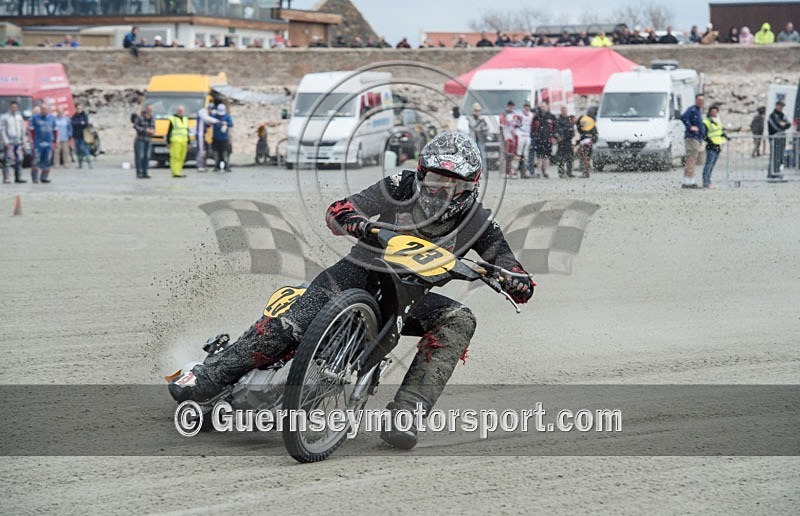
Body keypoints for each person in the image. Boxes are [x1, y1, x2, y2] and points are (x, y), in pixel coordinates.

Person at [168, 132, 535, 450]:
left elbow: (510, 266)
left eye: (456, 185)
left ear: (472, 187)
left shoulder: (479, 222)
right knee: (288, 327)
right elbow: (340, 209)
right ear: (422, 173)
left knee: (459, 319)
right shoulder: (398, 186)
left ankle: (407, 413)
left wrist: (517, 280)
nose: (443, 190)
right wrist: (355, 222)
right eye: (437, 179)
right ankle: (207, 375)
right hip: (354, 273)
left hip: (408, 300)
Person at [680, 94, 706, 189]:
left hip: (697, 138)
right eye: (699, 100)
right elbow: (683, 117)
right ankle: (690, 182)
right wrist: (690, 126)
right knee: (691, 160)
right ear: (695, 100)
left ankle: (687, 181)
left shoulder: (699, 111)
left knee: (692, 160)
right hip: (692, 138)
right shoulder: (692, 109)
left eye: (702, 100)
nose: (701, 102)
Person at [29, 104, 58, 183]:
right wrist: (31, 141)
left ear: (47, 110)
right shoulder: (34, 118)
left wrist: (55, 141)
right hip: (38, 143)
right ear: (40, 110)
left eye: (45, 109)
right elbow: (31, 131)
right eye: (42, 109)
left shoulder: (52, 118)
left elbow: (55, 131)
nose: (44, 111)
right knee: (36, 160)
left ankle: (44, 177)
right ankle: (35, 178)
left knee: (47, 161)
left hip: (48, 143)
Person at [1, 101, 27, 184]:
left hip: (18, 142)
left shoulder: (19, 117)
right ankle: (7, 178)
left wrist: (23, 141)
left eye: (15, 107)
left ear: (17, 108)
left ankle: (18, 177)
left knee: (19, 160)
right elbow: (2, 130)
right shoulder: (5, 117)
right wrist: (6, 141)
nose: (14, 108)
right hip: (9, 142)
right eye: (12, 107)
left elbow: (23, 129)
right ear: (10, 107)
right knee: (8, 160)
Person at [701, 105, 727, 189]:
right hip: (711, 146)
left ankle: (708, 181)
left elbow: (719, 131)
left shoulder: (717, 121)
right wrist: (709, 141)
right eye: (713, 111)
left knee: (712, 165)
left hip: (717, 145)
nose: (714, 113)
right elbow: (704, 134)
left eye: (715, 111)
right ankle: (706, 182)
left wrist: (725, 136)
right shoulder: (706, 121)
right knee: (708, 165)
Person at [767, 100, 791, 179]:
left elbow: (788, 124)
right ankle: (772, 173)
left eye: (782, 106)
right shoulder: (772, 116)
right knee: (774, 156)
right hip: (774, 139)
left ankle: (777, 172)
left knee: (780, 156)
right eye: (780, 105)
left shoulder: (782, 115)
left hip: (781, 139)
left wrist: (783, 124)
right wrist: (782, 125)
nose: (781, 107)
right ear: (776, 105)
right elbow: (776, 127)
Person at [532, 102, 556, 178]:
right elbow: (533, 127)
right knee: (539, 156)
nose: (543, 108)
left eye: (544, 106)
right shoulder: (537, 116)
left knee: (547, 156)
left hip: (548, 139)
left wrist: (554, 136)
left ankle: (546, 171)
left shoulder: (551, 116)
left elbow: (555, 127)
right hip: (539, 139)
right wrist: (535, 136)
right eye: (542, 106)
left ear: (547, 107)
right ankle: (538, 172)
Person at [166, 105, 189, 178]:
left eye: (182, 111)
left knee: (182, 157)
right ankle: (175, 172)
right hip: (175, 141)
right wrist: (168, 142)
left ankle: (179, 171)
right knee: (175, 157)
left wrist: (189, 142)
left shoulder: (185, 119)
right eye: (179, 111)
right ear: (177, 111)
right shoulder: (173, 119)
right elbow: (169, 131)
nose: (181, 112)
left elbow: (187, 131)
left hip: (184, 141)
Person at [195, 102, 219, 172]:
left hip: (203, 134)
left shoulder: (206, 113)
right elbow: (207, 119)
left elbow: (207, 123)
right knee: (201, 150)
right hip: (200, 134)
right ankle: (200, 166)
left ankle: (202, 165)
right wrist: (217, 121)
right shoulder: (202, 112)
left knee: (204, 150)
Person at [576, 107, 598, 178]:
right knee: (587, 156)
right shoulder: (592, 122)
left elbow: (579, 127)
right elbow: (595, 133)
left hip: (585, 140)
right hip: (589, 140)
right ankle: (586, 171)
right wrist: (594, 139)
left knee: (584, 156)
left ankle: (585, 171)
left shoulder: (583, 120)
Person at [134, 104, 155, 179]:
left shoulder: (152, 118)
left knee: (147, 156)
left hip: (148, 139)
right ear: (146, 109)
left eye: (151, 110)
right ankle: (139, 173)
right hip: (140, 139)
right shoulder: (140, 117)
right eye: (149, 109)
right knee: (140, 156)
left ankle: (145, 172)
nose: (150, 111)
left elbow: (153, 127)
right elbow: (136, 126)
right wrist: (145, 130)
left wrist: (152, 131)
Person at [499, 100, 518, 178]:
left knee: (513, 155)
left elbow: (518, 125)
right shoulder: (504, 114)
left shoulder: (515, 115)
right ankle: (506, 171)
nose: (511, 107)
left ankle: (512, 171)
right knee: (506, 155)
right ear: (507, 106)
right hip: (506, 137)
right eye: (510, 106)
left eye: (512, 106)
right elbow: (502, 126)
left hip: (513, 137)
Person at [515, 101, 534, 178]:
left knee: (526, 155)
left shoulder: (531, 115)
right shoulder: (519, 114)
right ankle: (514, 171)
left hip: (527, 135)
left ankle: (525, 171)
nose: (527, 108)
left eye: (528, 106)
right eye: (526, 106)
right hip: (521, 134)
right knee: (518, 154)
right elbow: (516, 123)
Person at [212, 104, 233, 172]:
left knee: (225, 153)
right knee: (216, 153)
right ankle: (216, 166)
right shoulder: (214, 116)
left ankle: (226, 166)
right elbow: (209, 122)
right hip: (216, 138)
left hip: (224, 138)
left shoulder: (227, 116)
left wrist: (226, 123)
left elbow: (231, 124)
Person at [554, 106, 575, 178]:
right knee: (561, 158)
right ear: (561, 111)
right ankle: (561, 173)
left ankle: (569, 172)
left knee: (570, 158)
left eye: (566, 111)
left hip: (568, 141)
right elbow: (555, 130)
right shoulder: (558, 120)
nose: (565, 112)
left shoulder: (569, 119)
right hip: (561, 142)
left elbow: (571, 129)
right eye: (563, 111)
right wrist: (558, 137)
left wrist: (572, 135)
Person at [71, 103, 92, 169]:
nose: (79, 110)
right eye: (77, 108)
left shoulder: (84, 116)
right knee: (78, 150)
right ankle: (80, 165)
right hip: (76, 136)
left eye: (80, 108)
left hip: (84, 136)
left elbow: (86, 123)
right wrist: (80, 123)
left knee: (84, 149)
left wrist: (79, 123)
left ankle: (90, 164)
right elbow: (73, 123)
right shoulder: (74, 116)